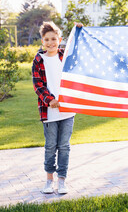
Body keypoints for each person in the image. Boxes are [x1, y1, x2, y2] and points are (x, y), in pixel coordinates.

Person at [32, 21, 83, 194]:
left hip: (67, 111)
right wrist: (49, 99)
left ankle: (62, 180)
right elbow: (38, 84)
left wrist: (78, 31)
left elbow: (79, 52)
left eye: (54, 39)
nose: (50, 42)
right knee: (50, 146)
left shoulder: (65, 56)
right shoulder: (39, 60)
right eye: (47, 39)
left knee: (64, 146)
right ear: (42, 41)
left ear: (60, 39)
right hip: (50, 111)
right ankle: (49, 180)